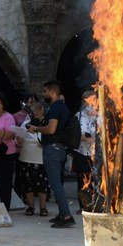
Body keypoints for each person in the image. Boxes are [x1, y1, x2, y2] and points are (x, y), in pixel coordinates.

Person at [27, 81, 75, 228]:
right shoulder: (62, 107)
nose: (43, 94)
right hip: (58, 149)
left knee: (55, 184)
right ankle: (62, 213)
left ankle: (66, 216)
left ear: (52, 92)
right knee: (57, 183)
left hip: (52, 150)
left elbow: (51, 129)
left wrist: (36, 128)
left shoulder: (55, 108)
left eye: (45, 91)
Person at [17, 102, 49, 216]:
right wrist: (19, 140)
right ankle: (30, 207)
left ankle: (43, 207)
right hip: (26, 156)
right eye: (35, 114)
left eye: (39, 114)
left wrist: (44, 143)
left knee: (42, 184)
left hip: (41, 158)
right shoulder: (26, 123)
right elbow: (19, 138)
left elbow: (50, 138)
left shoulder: (47, 124)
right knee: (27, 183)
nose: (37, 116)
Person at [71, 91, 98, 214]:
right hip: (81, 151)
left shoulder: (100, 115)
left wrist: (96, 138)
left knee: (95, 178)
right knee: (82, 178)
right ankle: (83, 205)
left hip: (95, 152)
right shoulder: (79, 115)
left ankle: (95, 203)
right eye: (87, 100)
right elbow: (74, 132)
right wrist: (82, 138)